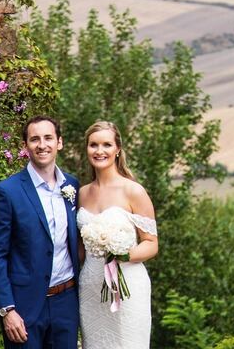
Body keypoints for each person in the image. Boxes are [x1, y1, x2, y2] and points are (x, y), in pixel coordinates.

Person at [0, 116, 81, 349]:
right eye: (34, 139)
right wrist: (7, 309)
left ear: (59, 142)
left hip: (66, 303)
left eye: (48, 138)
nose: (42, 144)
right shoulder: (6, 192)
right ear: (25, 145)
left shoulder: (72, 186)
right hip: (23, 306)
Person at [77, 121, 158, 348]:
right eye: (93, 145)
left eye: (106, 144)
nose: (99, 151)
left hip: (128, 287)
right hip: (91, 286)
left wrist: (122, 253)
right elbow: (79, 249)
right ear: (87, 149)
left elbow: (151, 244)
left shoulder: (133, 191)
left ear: (117, 149)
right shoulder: (82, 193)